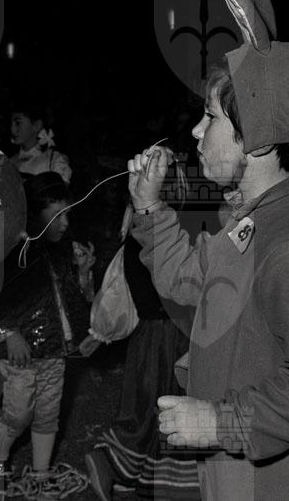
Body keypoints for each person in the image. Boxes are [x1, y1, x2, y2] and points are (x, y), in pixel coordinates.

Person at [126, 0, 289, 500]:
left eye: (211, 118)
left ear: (257, 139)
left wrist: (219, 422)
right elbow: (189, 282)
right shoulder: (248, 221)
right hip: (233, 474)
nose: (196, 132)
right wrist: (150, 209)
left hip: (274, 484)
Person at [0, 172, 95, 495]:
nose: (65, 224)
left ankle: (42, 474)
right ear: (35, 214)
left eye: (67, 214)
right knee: (18, 414)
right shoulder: (13, 252)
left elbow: (73, 300)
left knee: (48, 413)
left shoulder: (61, 251)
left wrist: (84, 274)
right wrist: (8, 332)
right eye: (57, 216)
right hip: (22, 354)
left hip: (55, 350)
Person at [85, 204, 200, 501]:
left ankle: (116, 467)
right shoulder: (171, 228)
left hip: (153, 332)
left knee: (146, 408)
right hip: (173, 331)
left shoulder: (142, 225)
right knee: (169, 406)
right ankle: (118, 466)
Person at [10, 105, 72, 184]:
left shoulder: (54, 160)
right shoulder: (10, 163)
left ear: (37, 125)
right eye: (11, 123)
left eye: (18, 123)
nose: (12, 130)